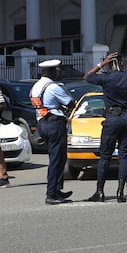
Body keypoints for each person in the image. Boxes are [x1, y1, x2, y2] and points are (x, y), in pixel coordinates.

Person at [84, 51, 127, 203]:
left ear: (109, 64)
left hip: (112, 119)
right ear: (122, 63)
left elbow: (87, 77)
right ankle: (120, 193)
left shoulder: (106, 78)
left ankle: (100, 192)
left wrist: (101, 64)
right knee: (124, 156)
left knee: (105, 156)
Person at [31, 59, 73, 205]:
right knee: (56, 159)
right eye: (56, 70)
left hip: (42, 123)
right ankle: (51, 194)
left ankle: (57, 189)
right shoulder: (53, 87)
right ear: (51, 72)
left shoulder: (36, 86)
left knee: (58, 157)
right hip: (54, 124)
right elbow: (70, 102)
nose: (58, 72)